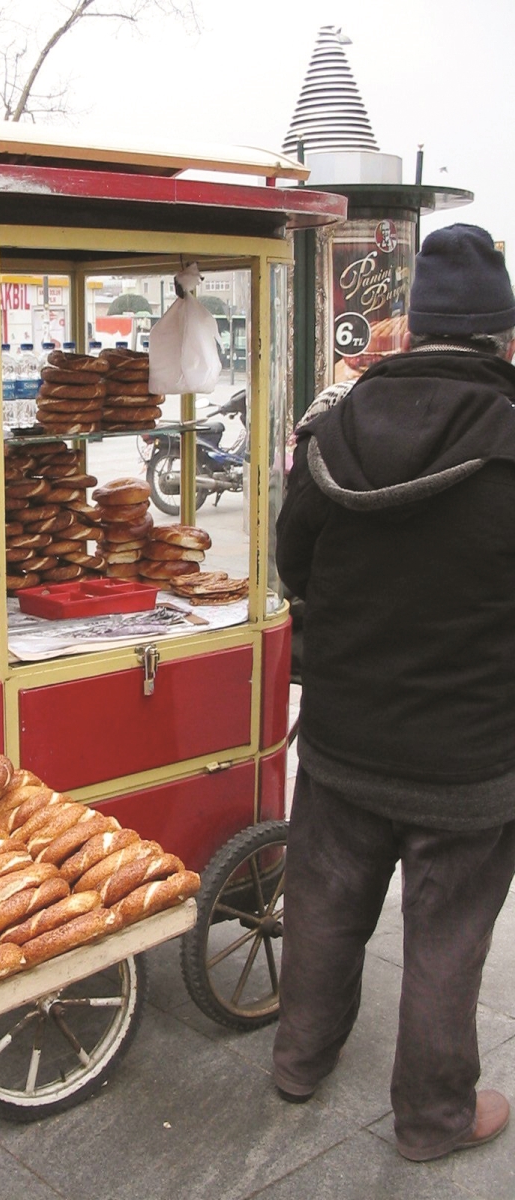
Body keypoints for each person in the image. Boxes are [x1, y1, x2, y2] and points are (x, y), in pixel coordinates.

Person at [273, 224, 515, 1161]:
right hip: (470, 757)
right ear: (499, 337)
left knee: (325, 911)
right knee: (448, 944)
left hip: (343, 735)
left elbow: (296, 563)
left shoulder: (333, 428)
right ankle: (433, 1120)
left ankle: (299, 1062)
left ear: (409, 331)